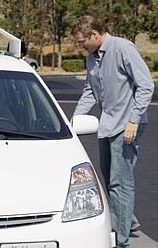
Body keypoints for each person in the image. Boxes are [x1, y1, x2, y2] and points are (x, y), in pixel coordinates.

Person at [71, 15, 154, 248]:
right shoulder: (92, 58)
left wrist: (134, 120)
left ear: (95, 34)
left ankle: (120, 239)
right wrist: (74, 122)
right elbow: (90, 91)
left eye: (82, 42)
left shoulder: (123, 49)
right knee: (109, 179)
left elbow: (146, 85)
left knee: (120, 182)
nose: (80, 47)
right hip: (107, 125)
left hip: (127, 125)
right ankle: (129, 220)